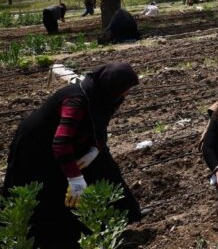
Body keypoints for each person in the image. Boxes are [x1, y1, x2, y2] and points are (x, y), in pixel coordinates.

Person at [3, 63, 142, 247]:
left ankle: (122, 215)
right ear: (113, 86)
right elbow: (61, 142)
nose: (126, 94)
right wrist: (75, 179)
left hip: (76, 140)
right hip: (38, 145)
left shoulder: (105, 98)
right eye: (125, 89)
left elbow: (99, 128)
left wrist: (95, 150)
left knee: (103, 167)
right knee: (48, 189)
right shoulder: (76, 101)